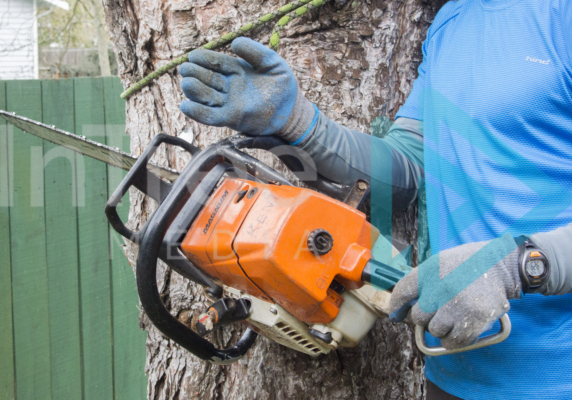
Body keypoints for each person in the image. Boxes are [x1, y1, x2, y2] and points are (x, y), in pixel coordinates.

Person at [177, 0, 572, 398]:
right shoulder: (453, 20)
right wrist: (297, 123)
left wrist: (519, 267)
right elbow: (408, 165)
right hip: (455, 371)